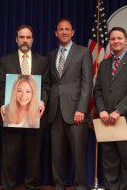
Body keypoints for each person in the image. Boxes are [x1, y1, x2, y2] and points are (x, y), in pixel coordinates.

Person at [93, 27, 127, 190]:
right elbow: (98, 90)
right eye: (113, 39)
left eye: (119, 38)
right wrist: (101, 110)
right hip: (106, 120)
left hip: (126, 121)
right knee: (109, 162)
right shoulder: (104, 63)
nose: (116, 41)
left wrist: (118, 111)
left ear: (126, 41)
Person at [0, 25, 49, 190]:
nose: (25, 40)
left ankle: (32, 186)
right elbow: (1, 86)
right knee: (10, 156)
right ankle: (8, 187)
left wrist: (42, 101)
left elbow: (46, 85)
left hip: (35, 117)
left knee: (33, 157)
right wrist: (2, 104)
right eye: (21, 37)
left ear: (32, 40)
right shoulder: (5, 60)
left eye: (28, 37)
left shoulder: (42, 60)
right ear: (16, 39)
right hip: (12, 117)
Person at [48, 18, 93, 190]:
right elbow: (51, 83)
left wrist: (82, 109)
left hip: (76, 111)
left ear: (73, 32)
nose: (64, 32)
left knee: (78, 153)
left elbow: (87, 83)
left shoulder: (83, 52)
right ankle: (59, 185)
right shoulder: (51, 54)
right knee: (57, 154)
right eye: (61, 29)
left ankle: (80, 186)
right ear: (56, 33)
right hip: (55, 111)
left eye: (67, 29)